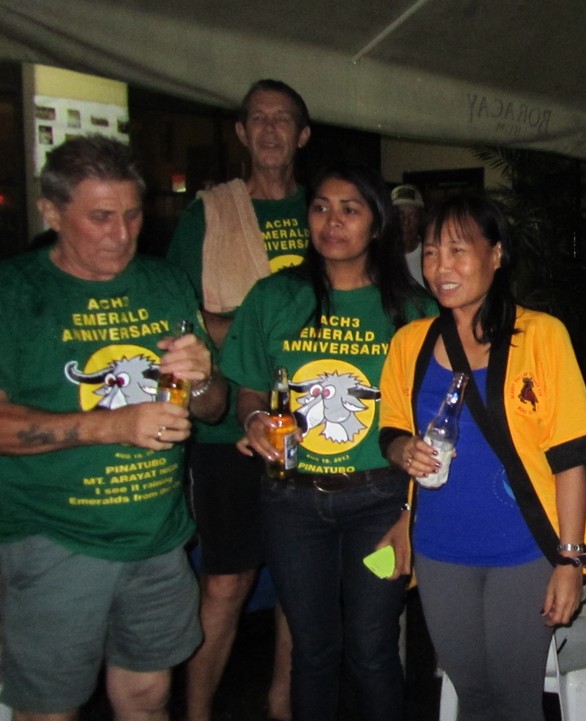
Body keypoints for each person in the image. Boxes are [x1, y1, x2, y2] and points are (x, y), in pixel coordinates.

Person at [0, 136, 227, 720]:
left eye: (132, 215)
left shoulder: (164, 282)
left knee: (149, 698)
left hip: (157, 537)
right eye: (101, 217)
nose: (122, 234)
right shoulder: (14, 292)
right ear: (52, 212)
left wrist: (203, 378)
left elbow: (210, 409)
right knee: (49, 708)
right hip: (55, 540)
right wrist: (113, 426)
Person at [379, 194, 586, 721]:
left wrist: (569, 560)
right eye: (431, 252)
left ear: (496, 254)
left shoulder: (542, 336)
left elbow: (571, 456)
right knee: (472, 693)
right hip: (439, 550)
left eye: (458, 250)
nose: (441, 267)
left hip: (523, 550)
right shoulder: (410, 342)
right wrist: (402, 451)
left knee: (516, 699)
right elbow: (391, 430)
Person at [221, 162, 434, 721]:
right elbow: (249, 389)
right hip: (291, 504)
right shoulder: (273, 297)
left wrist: (412, 511)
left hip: (381, 503)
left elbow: (435, 414)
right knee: (311, 652)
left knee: (372, 648)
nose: (332, 221)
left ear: (377, 224)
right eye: (320, 208)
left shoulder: (414, 309)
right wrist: (253, 420)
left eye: (350, 209)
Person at [167, 78, 311, 721]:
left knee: (300, 579)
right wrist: (258, 328)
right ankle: (196, 712)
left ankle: (283, 702)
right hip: (225, 425)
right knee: (226, 578)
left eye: (283, 119)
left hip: (311, 422)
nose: (270, 129)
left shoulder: (324, 209)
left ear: (302, 135)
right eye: (258, 118)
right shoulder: (209, 213)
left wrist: (231, 321)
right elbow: (177, 312)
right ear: (241, 133)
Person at [391, 184, 427, 287]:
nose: (406, 222)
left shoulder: (430, 256)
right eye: (400, 215)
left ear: (420, 218)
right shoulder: (377, 257)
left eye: (413, 215)